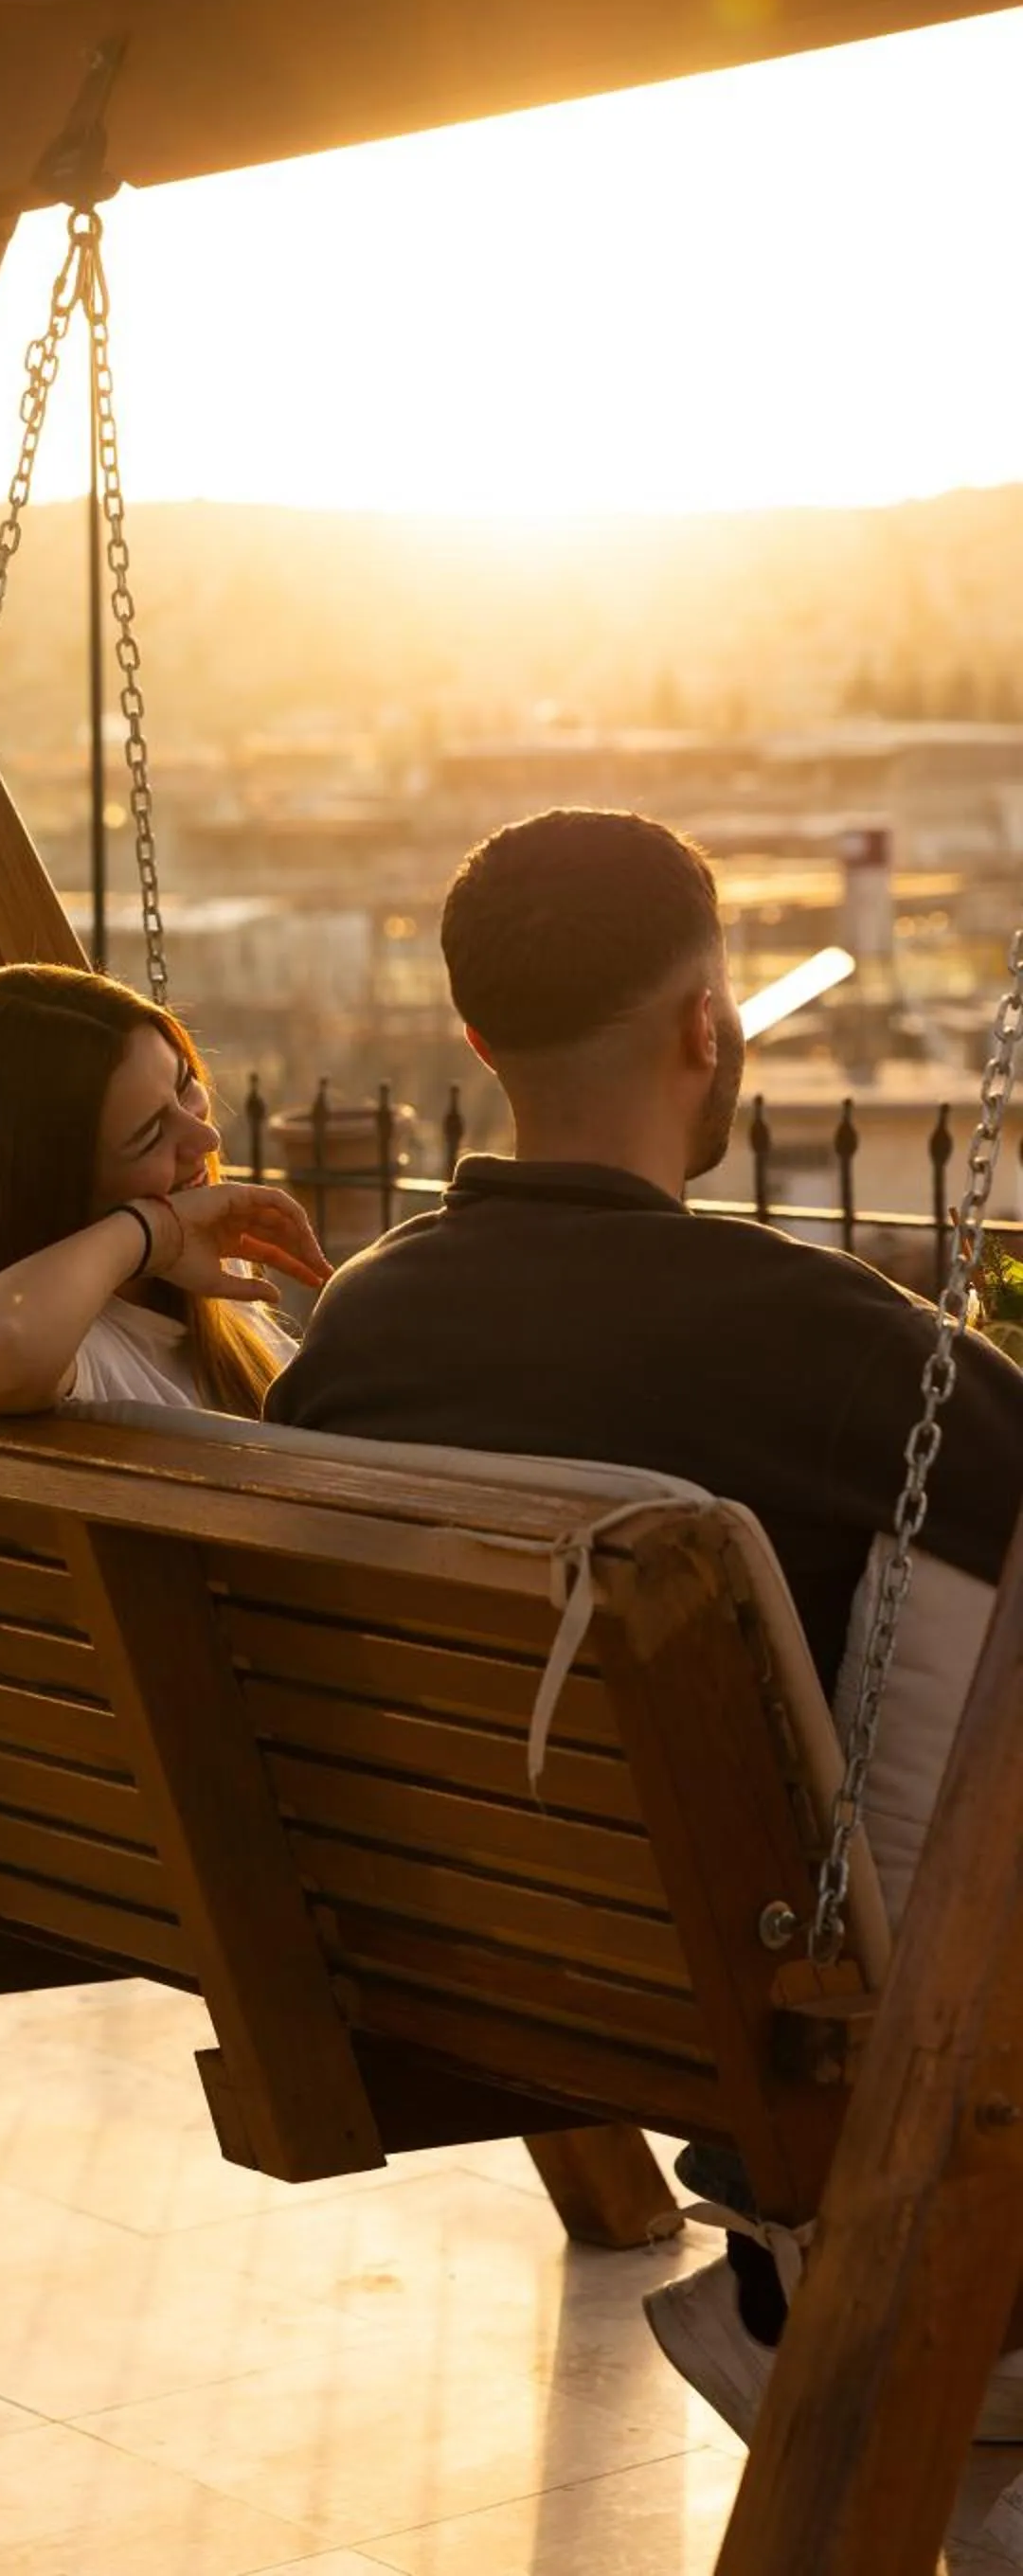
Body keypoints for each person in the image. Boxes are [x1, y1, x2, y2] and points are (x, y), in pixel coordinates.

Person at [267, 807, 1023, 2442]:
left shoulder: (366, 1328)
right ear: (707, 1026)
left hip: (487, 1959)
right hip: (794, 2048)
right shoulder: (855, 1361)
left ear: (479, 1037)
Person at [0, 963, 331, 1414]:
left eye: (184, 1084)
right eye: (149, 1135)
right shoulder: (81, 1352)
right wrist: (154, 1231)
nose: (208, 1140)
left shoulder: (202, 1264)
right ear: (54, 1188)